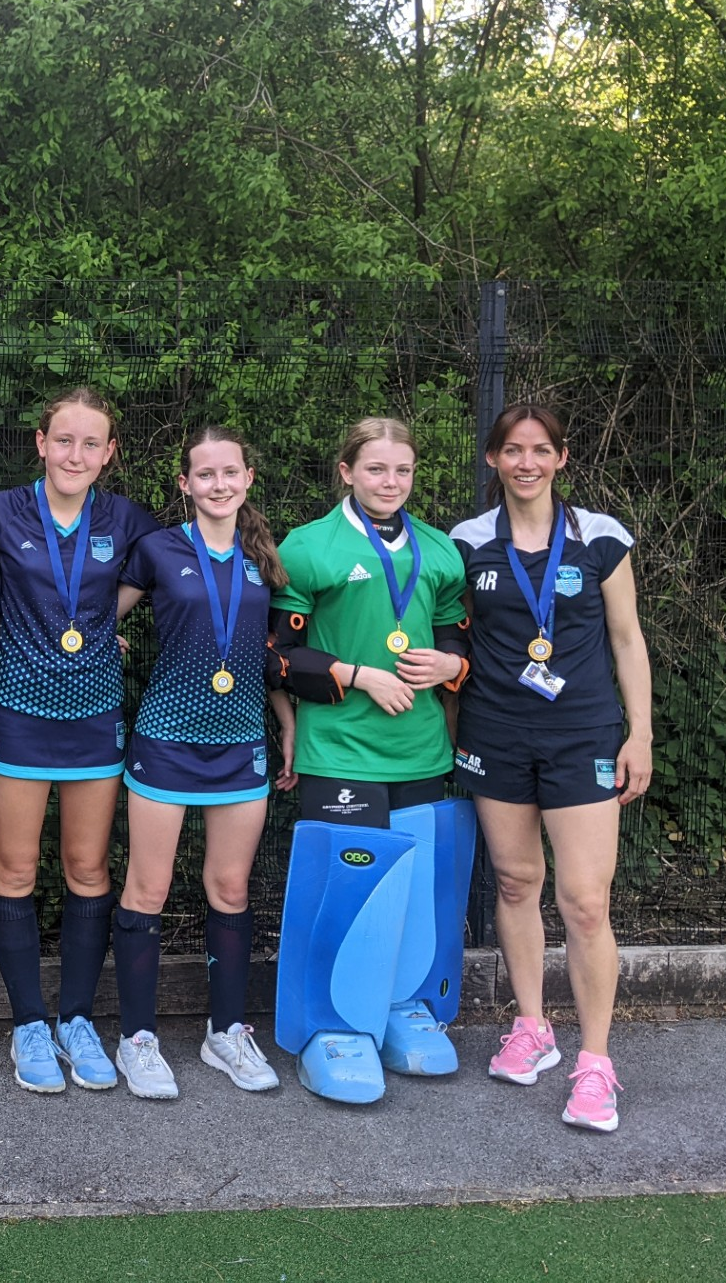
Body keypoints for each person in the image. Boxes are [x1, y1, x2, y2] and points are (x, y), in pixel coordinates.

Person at [450, 403, 652, 1132]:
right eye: (513, 450)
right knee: (514, 882)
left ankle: (595, 1064)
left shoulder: (601, 537)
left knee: (586, 903)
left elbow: (627, 640)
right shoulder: (468, 542)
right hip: (496, 733)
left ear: (562, 458)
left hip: (582, 736)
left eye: (541, 450)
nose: (527, 462)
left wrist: (640, 734)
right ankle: (532, 1027)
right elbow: (455, 645)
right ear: (493, 459)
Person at [0, 387, 160, 1095]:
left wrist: (101, 624)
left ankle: (75, 1019)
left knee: (87, 868)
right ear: (41, 443)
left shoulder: (127, 520)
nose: (76, 455)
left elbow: (151, 578)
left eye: (91, 443)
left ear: (109, 453)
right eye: (64, 440)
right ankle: (28, 1025)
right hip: (19, 711)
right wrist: (8, 632)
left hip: (95, 714)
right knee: (14, 870)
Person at [270, 417, 471, 1104]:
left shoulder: (440, 551)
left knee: (413, 889)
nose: (391, 482)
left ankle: (399, 1007)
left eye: (402, 470)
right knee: (349, 887)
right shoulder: (307, 547)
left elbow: (455, 642)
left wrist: (450, 664)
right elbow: (278, 656)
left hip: (420, 749)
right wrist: (357, 676)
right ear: (347, 472)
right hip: (341, 750)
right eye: (376, 469)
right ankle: (334, 1027)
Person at [115, 426, 293, 1099]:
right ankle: (137, 1038)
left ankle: (226, 1033)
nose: (219, 484)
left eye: (230, 472)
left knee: (231, 889)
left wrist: (287, 723)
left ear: (248, 479)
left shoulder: (263, 558)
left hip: (241, 741)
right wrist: (102, 641)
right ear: (185, 484)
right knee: (148, 890)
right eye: (205, 474)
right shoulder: (158, 549)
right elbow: (97, 615)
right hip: (166, 737)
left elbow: (269, 654)